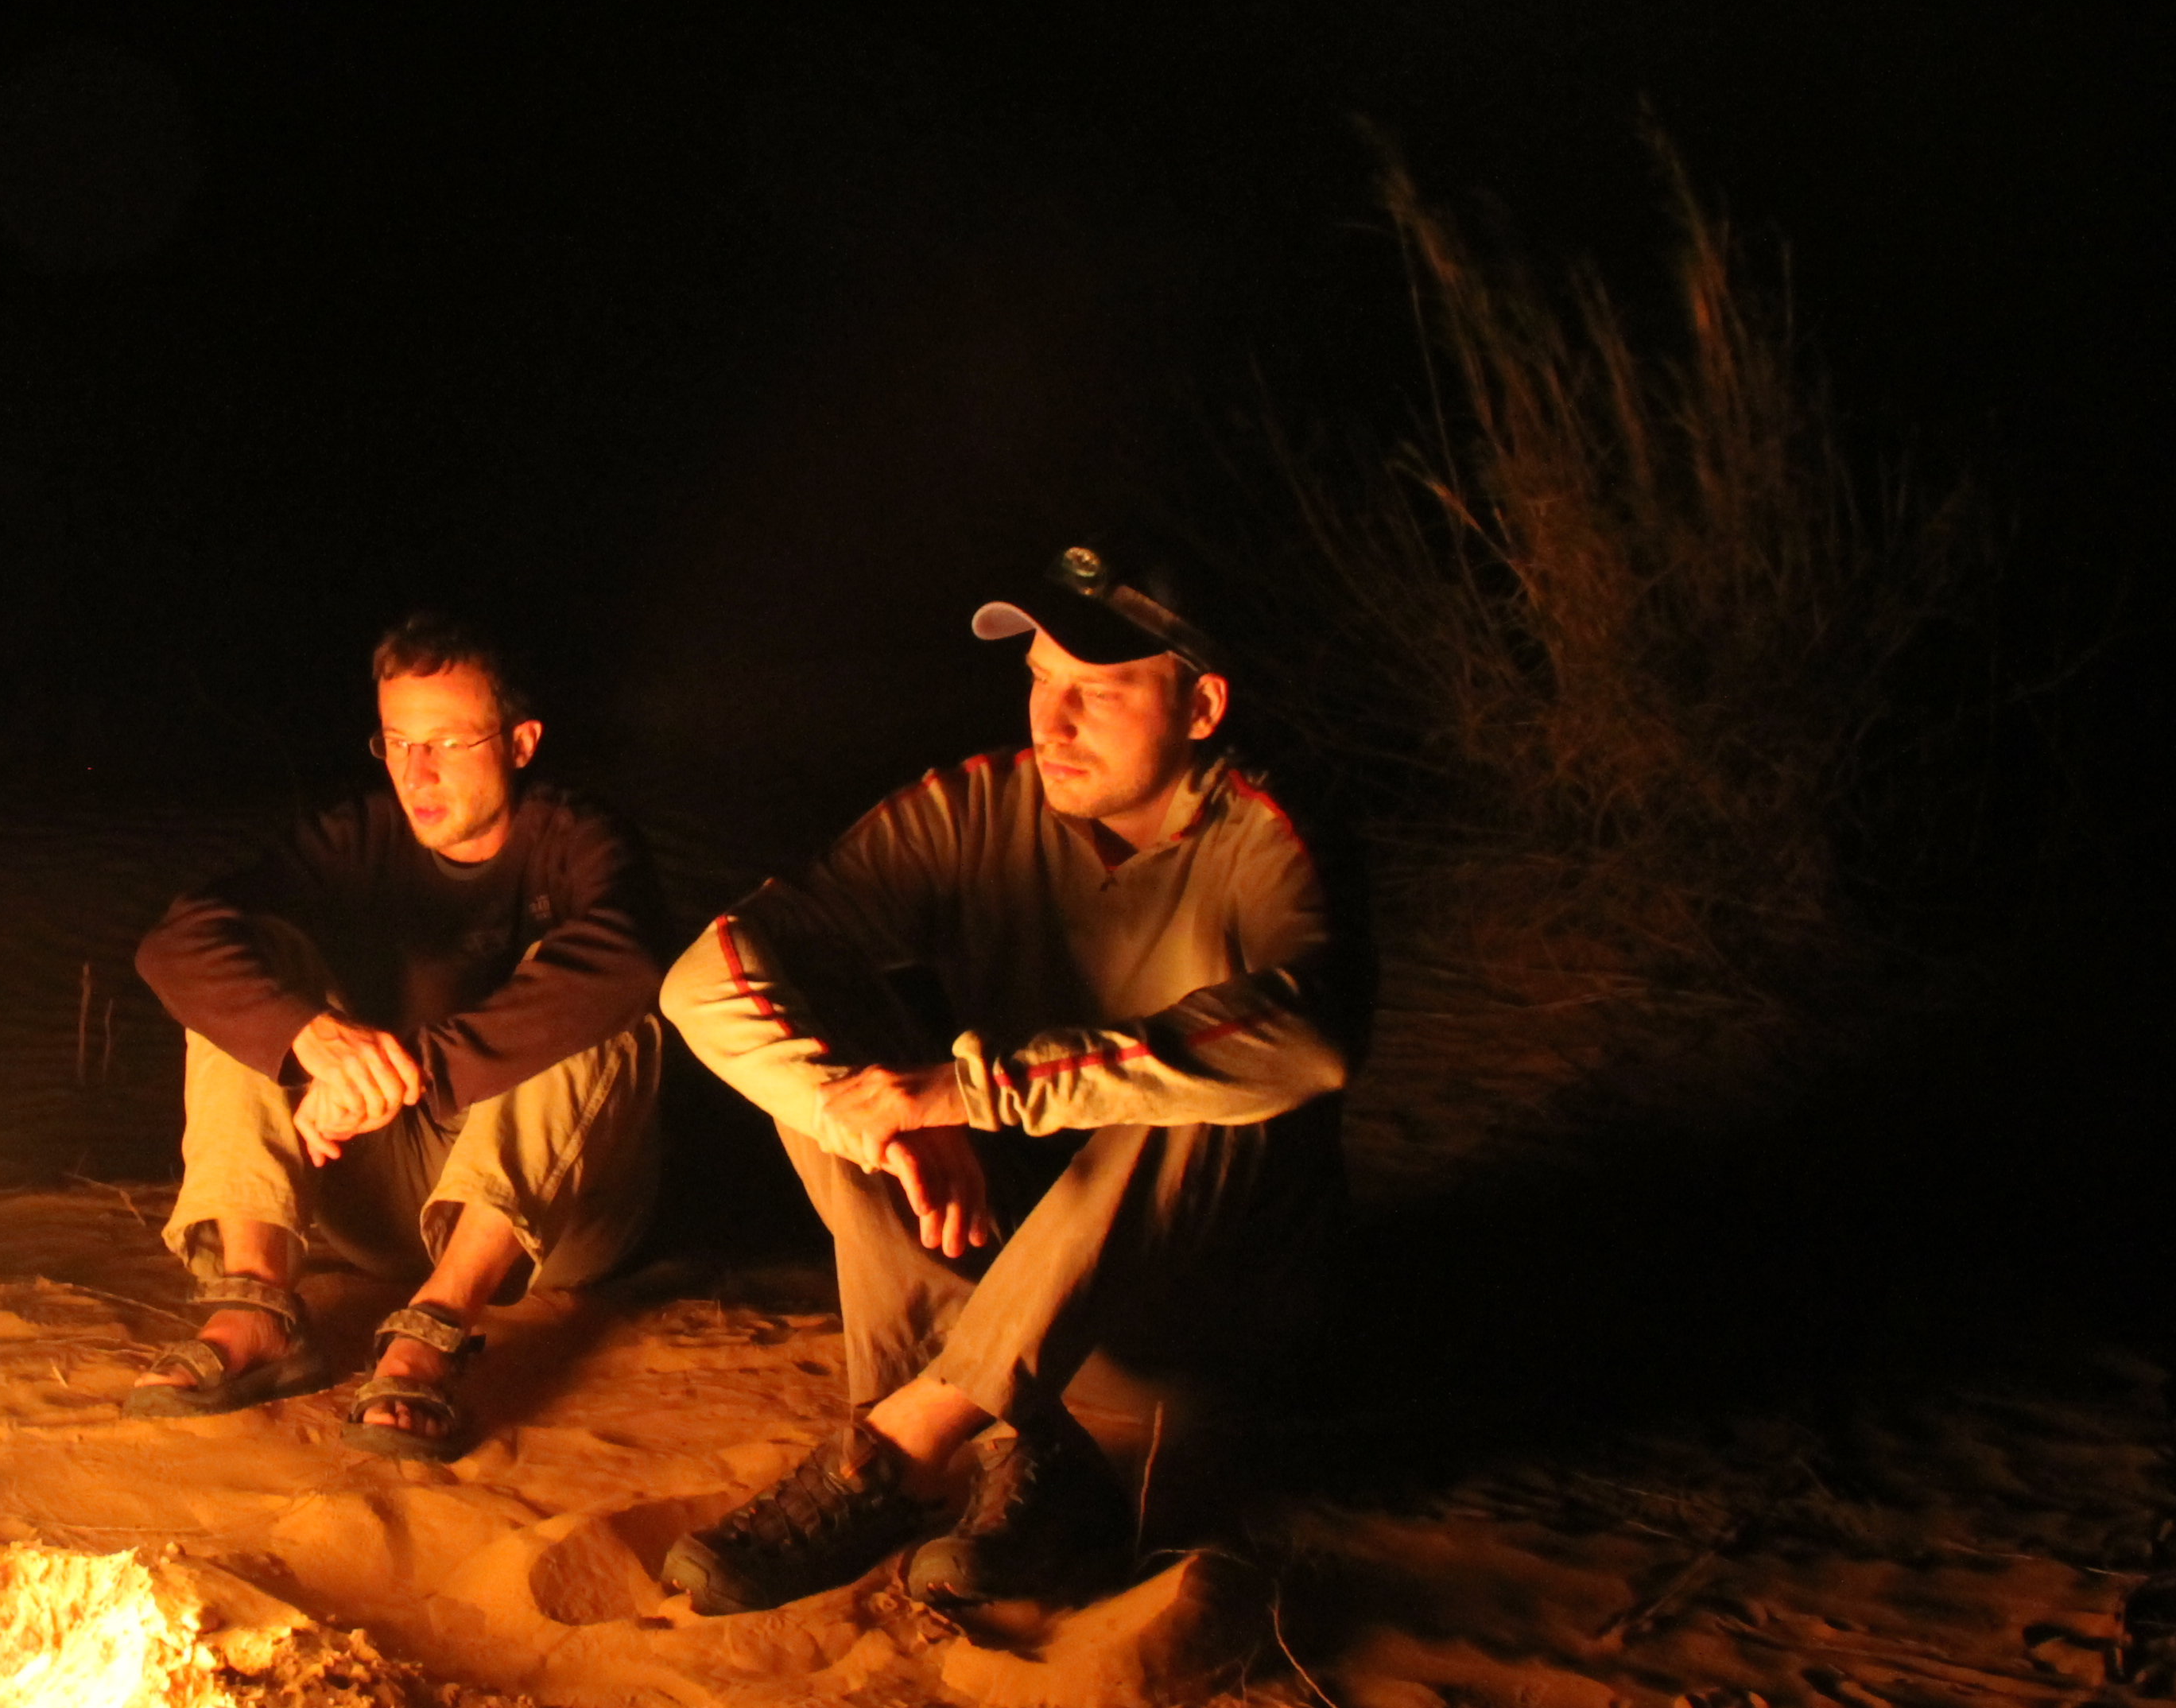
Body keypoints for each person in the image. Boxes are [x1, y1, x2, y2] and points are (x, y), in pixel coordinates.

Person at [657, 543, 1352, 1613]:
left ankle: (901, 1449)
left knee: (1227, 1081)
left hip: (1191, 1318)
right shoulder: (980, 806)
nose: (1052, 722)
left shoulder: (1266, 838)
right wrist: (866, 1116)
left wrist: (974, 1093)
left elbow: (1312, 1038)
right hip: (1002, 1289)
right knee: (824, 1040)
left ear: (1203, 706)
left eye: (1099, 692)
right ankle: (1022, 1454)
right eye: (1039, 678)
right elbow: (704, 977)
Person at [129, 612, 666, 1458]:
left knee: (601, 1003)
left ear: (520, 743)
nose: (418, 772)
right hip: (377, 1197)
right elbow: (174, 945)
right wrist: (310, 1037)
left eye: (448, 743)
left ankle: (437, 1327)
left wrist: (414, 1066)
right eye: (398, 743)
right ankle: (257, 1305)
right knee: (246, 976)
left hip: (550, 1227)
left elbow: (631, 959)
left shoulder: (577, 842)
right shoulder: (357, 838)